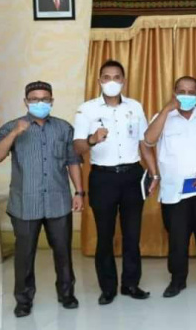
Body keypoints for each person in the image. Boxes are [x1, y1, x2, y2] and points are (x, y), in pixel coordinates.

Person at [0, 81, 84, 318]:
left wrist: (79, 192)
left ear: (52, 101)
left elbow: (73, 161)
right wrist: (14, 133)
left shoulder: (64, 128)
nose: (40, 103)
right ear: (26, 102)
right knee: (24, 255)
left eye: (44, 99)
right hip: (25, 204)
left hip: (58, 202)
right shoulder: (12, 127)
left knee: (63, 252)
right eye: (34, 99)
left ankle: (67, 294)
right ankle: (23, 300)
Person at [73, 60, 158, 305]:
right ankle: (107, 288)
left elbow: (144, 143)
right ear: (99, 81)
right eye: (107, 77)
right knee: (105, 235)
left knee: (132, 234)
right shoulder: (87, 109)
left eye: (117, 77)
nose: (112, 81)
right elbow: (77, 147)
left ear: (124, 81)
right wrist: (92, 139)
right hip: (103, 178)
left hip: (133, 175)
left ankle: (131, 284)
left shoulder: (135, 107)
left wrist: (154, 174)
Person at [144, 76, 196, 297]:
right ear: (174, 93)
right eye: (182, 91)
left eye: (191, 92)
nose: (186, 96)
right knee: (177, 240)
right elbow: (148, 140)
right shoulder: (163, 116)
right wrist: (166, 109)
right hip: (174, 192)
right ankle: (177, 280)